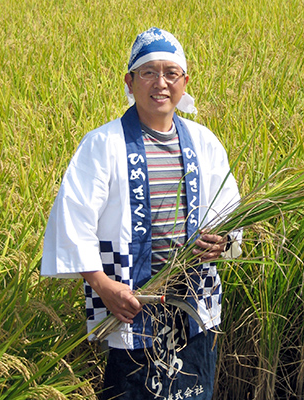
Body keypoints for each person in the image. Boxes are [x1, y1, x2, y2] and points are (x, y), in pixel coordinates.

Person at [41, 27, 242, 400]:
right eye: (148, 72)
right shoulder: (103, 144)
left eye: (170, 73)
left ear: (185, 81)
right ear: (129, 82)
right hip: (130, 303)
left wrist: (224, 242)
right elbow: (73, 220)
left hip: (194, 305)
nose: (160, 83)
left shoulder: (204, 142)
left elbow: (229, 211)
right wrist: (103, 286)